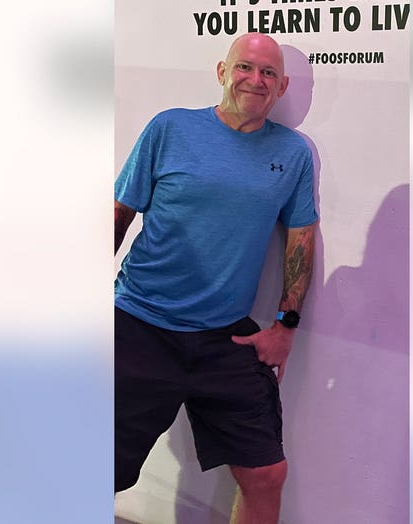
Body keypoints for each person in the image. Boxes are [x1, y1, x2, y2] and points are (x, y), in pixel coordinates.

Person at [113, 33, 318, 523]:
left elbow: (301, 239)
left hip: (225, 338)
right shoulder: (170, 128)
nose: (255, 79)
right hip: (140, 325)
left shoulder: (293, 153)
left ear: (282, 87)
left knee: (266, 475)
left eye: (268, 72)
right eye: (244, 67)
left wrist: (286, 325)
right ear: (222, 72)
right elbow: (119, 214)